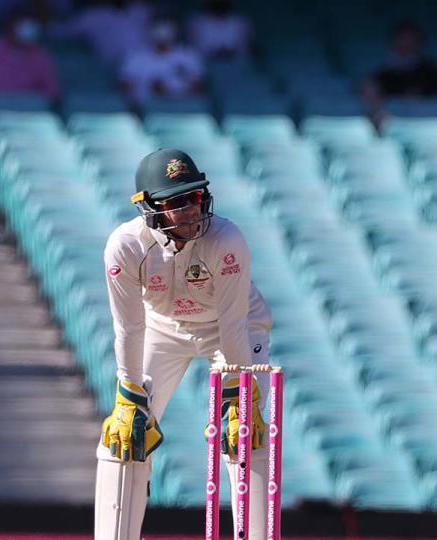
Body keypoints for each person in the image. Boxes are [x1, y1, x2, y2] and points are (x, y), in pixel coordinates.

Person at [94, 149, 273, 540]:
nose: (191, 210)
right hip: (162, 328)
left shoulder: (226, 239)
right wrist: (129, 397)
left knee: (244, 434)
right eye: (177, 202)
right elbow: (128, 326)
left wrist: (238, 399)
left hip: (231, 327)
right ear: (150, 207)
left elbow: (233, 322)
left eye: (194, 197)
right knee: (124, 436)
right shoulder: (125, 246)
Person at [0, 10, 60, 109]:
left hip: (29, 114)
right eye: (22, 24)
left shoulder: (42, 56)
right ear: (9, 26)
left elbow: (52, 94)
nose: (27, 28)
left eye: (31, 24)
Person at [120, 16, 204, 106]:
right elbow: (125, 85)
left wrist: (169, 94)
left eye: (167, 28)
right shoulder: (135, 56)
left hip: (183, 106)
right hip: (145, 108)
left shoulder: (188, 54)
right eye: (158, 28)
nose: (163, 32)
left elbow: (198, 85)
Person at [186, 0, 251, 59]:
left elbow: (243, 52)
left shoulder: (241, 22)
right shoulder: (196, 22)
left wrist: (227, 54)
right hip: (204, 64)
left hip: (234, 65)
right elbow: (192, 51)